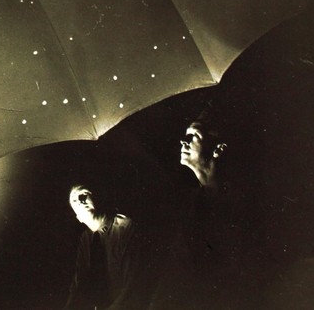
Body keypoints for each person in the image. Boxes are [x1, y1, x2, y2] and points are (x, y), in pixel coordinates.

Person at [148, 108, 257, 310]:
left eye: (194, 136)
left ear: (218, 149)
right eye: (185, 135)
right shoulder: (191, 204)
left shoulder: (241, 202)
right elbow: (175, 271)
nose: (183, 141)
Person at [64, 184, 152, 310]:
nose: (80, 201)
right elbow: (78, 285)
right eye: (74, 200)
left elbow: (133, 286)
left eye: (84, 194)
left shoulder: (124, 228)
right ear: (78, 218)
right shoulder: (86, 239)